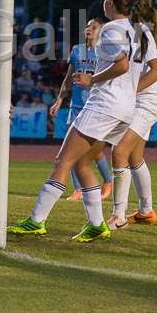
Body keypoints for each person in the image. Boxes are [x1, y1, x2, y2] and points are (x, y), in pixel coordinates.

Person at [8, 0, 143, 243]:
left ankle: (36, 220)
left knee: (63, 160)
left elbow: (122, 65)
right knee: (82, 162)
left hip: (105, 105)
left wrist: (92, 80)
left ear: (111, 3)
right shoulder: (131, 30)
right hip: (124, 108)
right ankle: (96, 224)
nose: (103, 2)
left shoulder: (112, 29)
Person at [106, 0, 157, 230]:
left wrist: (133, 89)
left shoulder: (139, 33)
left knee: (118, 152)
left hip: (145, 102)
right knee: (134, 157)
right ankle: (146, 211)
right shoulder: (133, 32)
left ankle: (118, 215)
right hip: (136, 102)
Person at [48, 17, 114, 202]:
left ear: (101, 31)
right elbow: (69, 78)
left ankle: (108, 180)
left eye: (94, 27)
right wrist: (59, 101)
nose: (89, 29)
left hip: (94, 106)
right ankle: (78, 190)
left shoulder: (105, 52)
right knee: (71, 149)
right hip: (76, 106)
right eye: (87, 26)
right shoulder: (77, 50)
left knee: (95, 151)